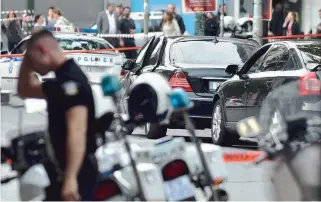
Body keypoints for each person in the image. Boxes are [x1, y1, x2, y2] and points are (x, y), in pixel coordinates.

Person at [17, 29, 98, 201]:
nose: (33, 67)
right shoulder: (60, 82)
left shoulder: (71, 83)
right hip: (63, 172)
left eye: (32, 59)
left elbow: (77, 132)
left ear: (42, 51)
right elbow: (24, 89)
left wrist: (70, 179)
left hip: (78, 175)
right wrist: (28, 60)